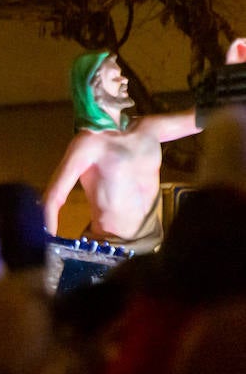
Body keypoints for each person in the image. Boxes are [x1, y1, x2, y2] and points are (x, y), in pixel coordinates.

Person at [43, 43, 244, 252]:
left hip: (152, 248)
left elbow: (196, 121)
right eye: (114, 78)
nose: (124, 80)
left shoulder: (146, 128)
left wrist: (232, 75)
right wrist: (47, 253)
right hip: (108, 252)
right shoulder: (89, 142)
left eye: (121, 75)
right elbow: (53, 198)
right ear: (93, 88)